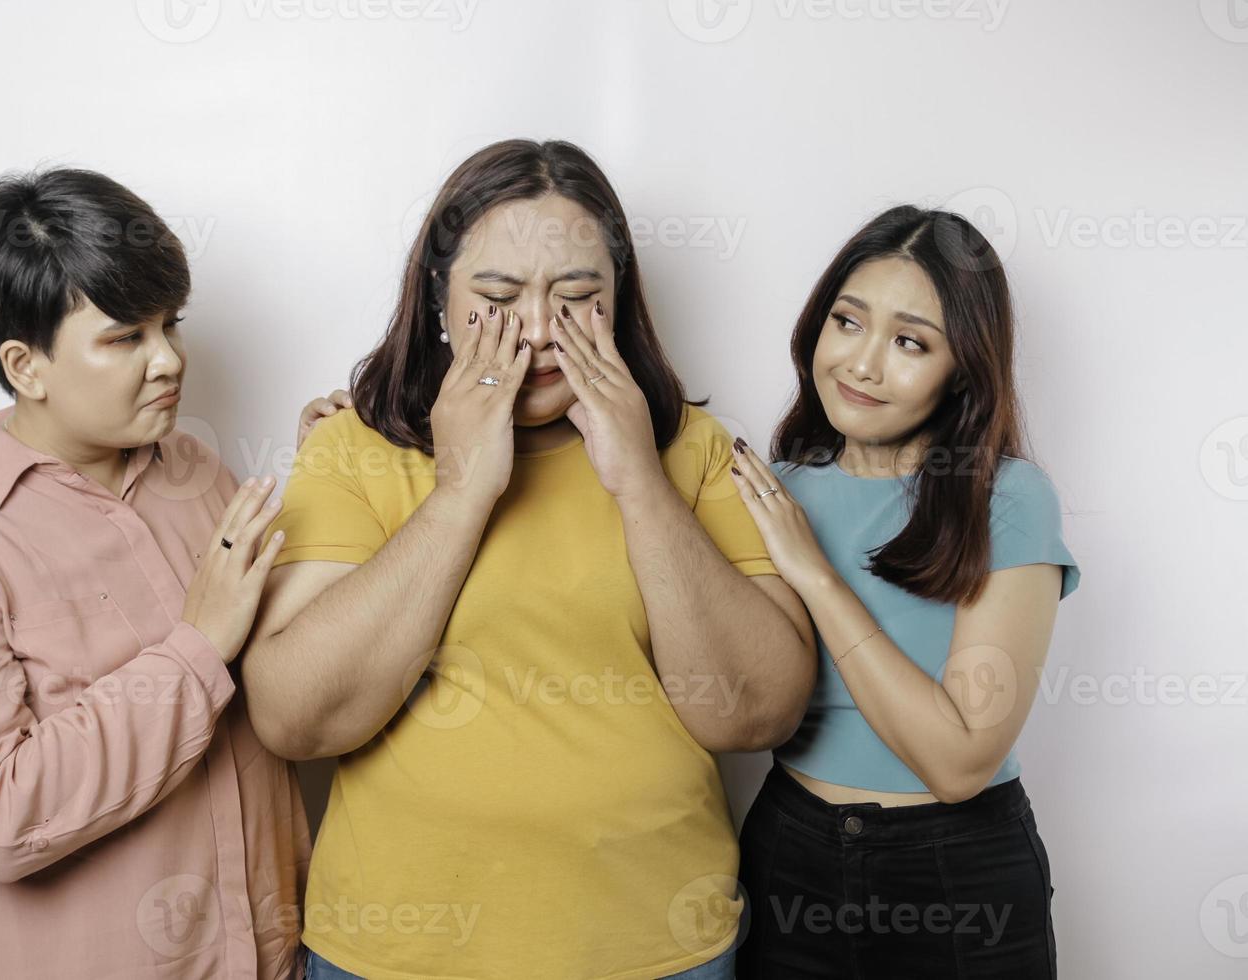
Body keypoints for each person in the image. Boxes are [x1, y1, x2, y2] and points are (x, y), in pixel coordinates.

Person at [238, 139, 818, 980]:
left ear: (618, 303)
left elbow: (753, 716)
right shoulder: (351, 446)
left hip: (655, 949)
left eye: (578, 296)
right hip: (397, 954)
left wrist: (639, 485)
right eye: (499, 295)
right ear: (439, 298)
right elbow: (297, 721)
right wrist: (462, 491)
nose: (541, 330)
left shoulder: (696, 452)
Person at [0, 168, 320, 979]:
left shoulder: (193, 471)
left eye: (170, 325)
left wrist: (331, 482)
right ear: (25, 365)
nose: (170, 360)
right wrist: (195, 650)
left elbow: (292, 673)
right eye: (125, 338)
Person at [728, 206, 1079, 977]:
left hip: (955, 875)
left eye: (911, 342)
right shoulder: (770, 492)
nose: (862, 365)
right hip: (789, 853)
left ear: (965, 368)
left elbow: (958, 763)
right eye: (848, 323)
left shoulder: (1007, 500)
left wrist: (816, 576)